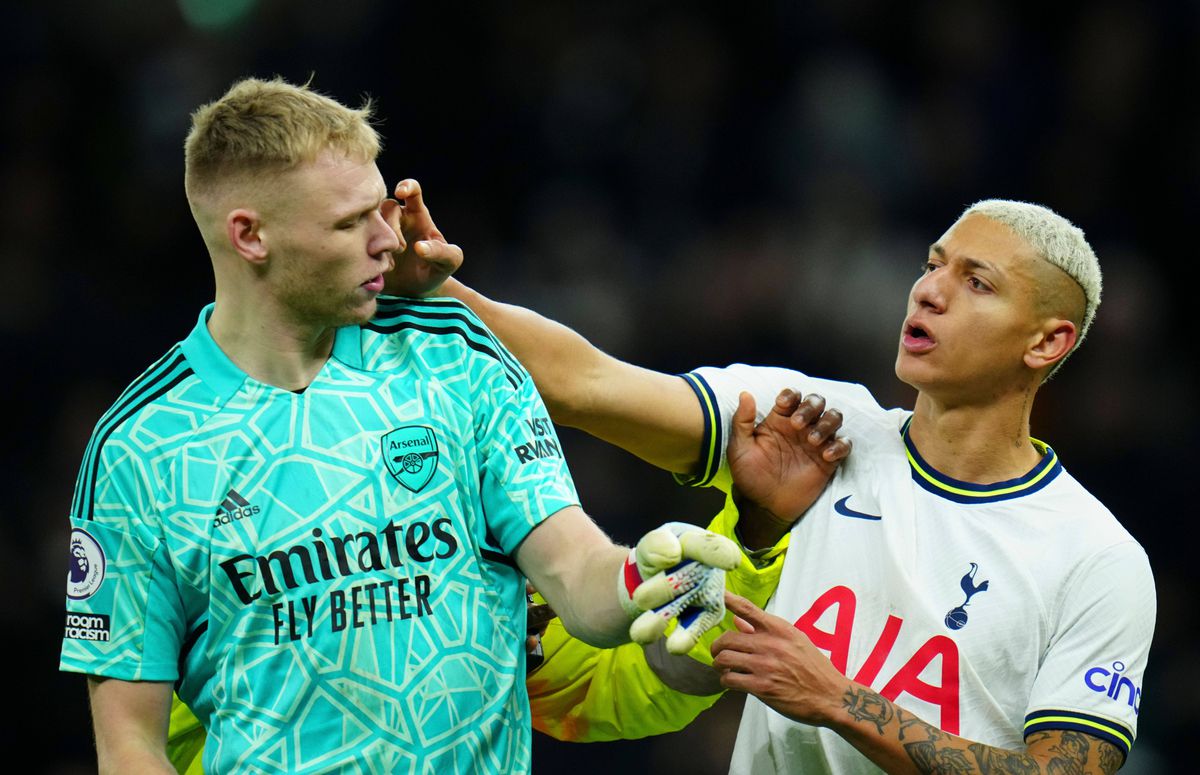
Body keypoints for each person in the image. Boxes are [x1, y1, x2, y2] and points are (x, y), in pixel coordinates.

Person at [57, 76, 834, 774]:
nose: (390, 240)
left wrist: (641, 576)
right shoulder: (142, 447)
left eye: (383, 209)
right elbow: (128, 745)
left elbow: (576, 574)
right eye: (350, 223)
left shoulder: (457, 357)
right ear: (250, 236)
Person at [444, 199, 1156, 773]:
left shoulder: (1096, 558)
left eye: (977, 283)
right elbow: (585, 381)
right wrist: (430, 288)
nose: (929, 291)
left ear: (1046, 342)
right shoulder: (818, 427)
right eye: (933, 264)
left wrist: (840, 699)